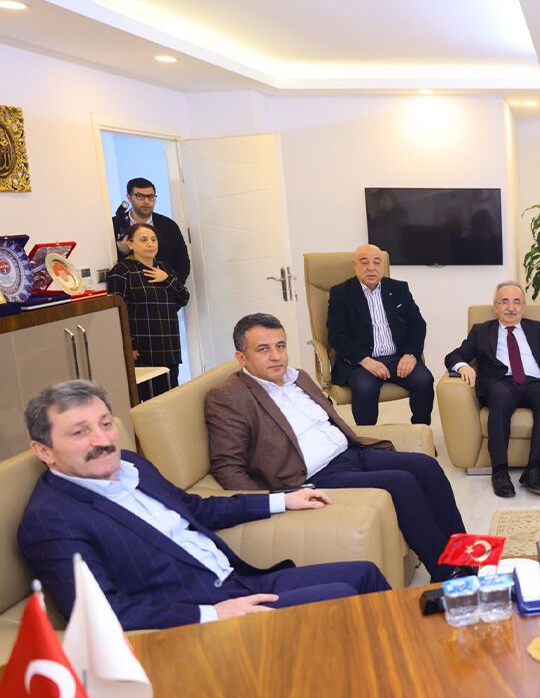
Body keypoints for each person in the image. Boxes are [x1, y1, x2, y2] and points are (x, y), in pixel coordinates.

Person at [18, 380, 389, 631]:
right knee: (341, 600)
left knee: (364, 574)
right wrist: (210, 615)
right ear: (44, 450)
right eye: (80, 432)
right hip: (199, 612)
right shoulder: (51, 520)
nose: (102, 440)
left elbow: (195, 508)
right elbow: (99, 614)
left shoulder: (131, 465)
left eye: (104, 424)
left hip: (238, 581)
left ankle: (400, 664)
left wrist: (281, 500)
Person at [205, 313, 466, 582]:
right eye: (263, 349)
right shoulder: (228, 397)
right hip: (313, 475)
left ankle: (468, 558)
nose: (276, 356)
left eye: (280, 346)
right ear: (241, 357)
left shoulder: (298, 377)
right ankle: (448, 574)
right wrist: (272, 502)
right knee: (402, 483)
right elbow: (227, 467)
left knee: (426, 466)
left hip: (350, 453)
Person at [445, 281, 540, 498]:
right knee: (501, 398)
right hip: (501, 383)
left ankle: (534, 469)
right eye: (505, 302)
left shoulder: (539, 329)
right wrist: (463, 366)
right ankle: (500, 471)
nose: (511, 308)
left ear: (524, 307)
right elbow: (454, 356)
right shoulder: (481, 331)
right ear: (495, 306)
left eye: (517, 302)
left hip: (534, 383)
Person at [326, 244, 434, 426]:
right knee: (364, 388)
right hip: (363, 361)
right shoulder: (341, 293)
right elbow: (337, 335)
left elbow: (417, 324)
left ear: (383, 266)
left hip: (398, 357)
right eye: (364, 262)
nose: (371, 268)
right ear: (354, 265)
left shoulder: (399, 289)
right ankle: (369, 438)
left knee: (424, 381)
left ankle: (421, 429)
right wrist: (364, 360)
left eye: (377, 262)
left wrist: (410, 354)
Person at [106, 223, 189, 400]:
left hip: (169, 346)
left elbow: (184, 298)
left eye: (153, 240)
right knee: (149, 402)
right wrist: (129, 345)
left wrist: (167, 279)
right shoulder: (122, 271)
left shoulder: (164, 268)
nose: (150, 244)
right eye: (143, 240)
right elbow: (117, 313)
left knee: (171, 400)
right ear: (130, 244)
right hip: (143, 350)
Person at [112, 177, 190, 284]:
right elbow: (109, 264)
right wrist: (121, 250)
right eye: (140, 196)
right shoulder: (114, 225)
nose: (146, 201)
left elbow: (182, 262)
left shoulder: (168, 225)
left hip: (165, 288)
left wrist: (172, 286)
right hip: (130, 289)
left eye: (150, 196)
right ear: (129, 197)